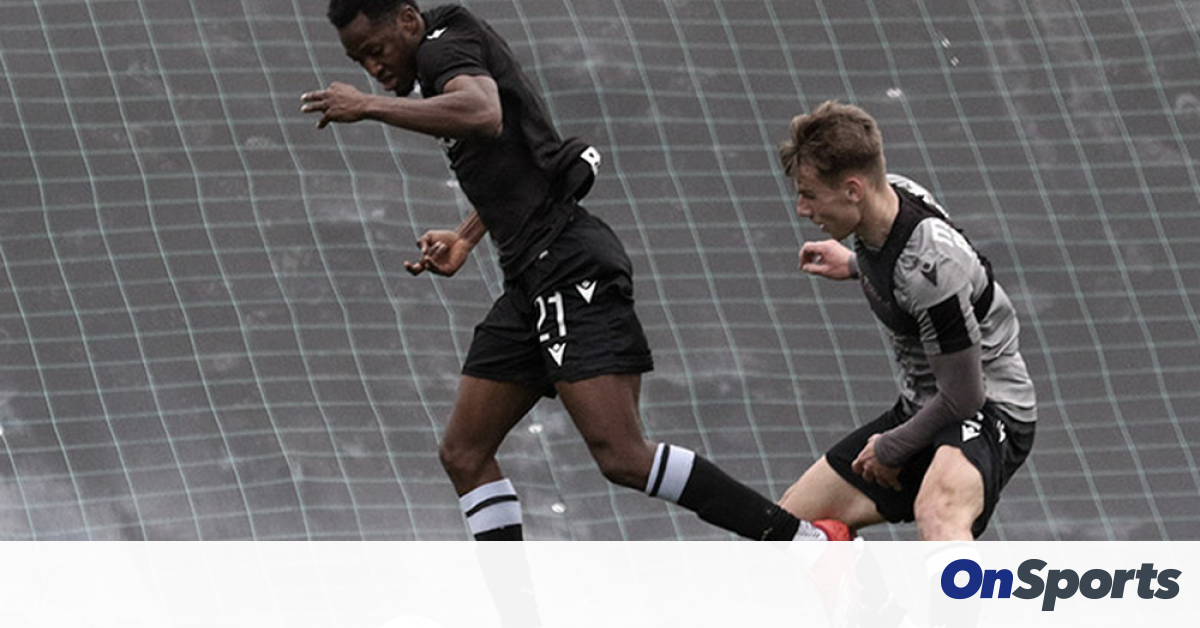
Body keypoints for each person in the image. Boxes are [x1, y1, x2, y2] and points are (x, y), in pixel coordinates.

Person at [301, 0, 848, 543]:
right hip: (530, 277)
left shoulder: (441, 50)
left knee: (623, 455)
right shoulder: (447, 42)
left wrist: (367, 106)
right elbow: (523, 157)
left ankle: (809, 545)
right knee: (464, 453)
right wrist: (466, 236)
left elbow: (483, 114)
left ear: (407, 21)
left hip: (567, 264)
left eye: (374, 50)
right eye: (359, 61)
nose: (372, 67)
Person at [775, 101, 1037, 542]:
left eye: (810, 194)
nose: (802, 208)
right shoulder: (893, 192)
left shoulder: (929, 267)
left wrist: (893, 446)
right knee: (788, 526)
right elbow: (903, 265)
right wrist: (855, 264)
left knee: (938, 512)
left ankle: (970, 594)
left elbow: (965, 396)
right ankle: (866, 590)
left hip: (989, 408)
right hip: (926, 406)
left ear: (853, 190)